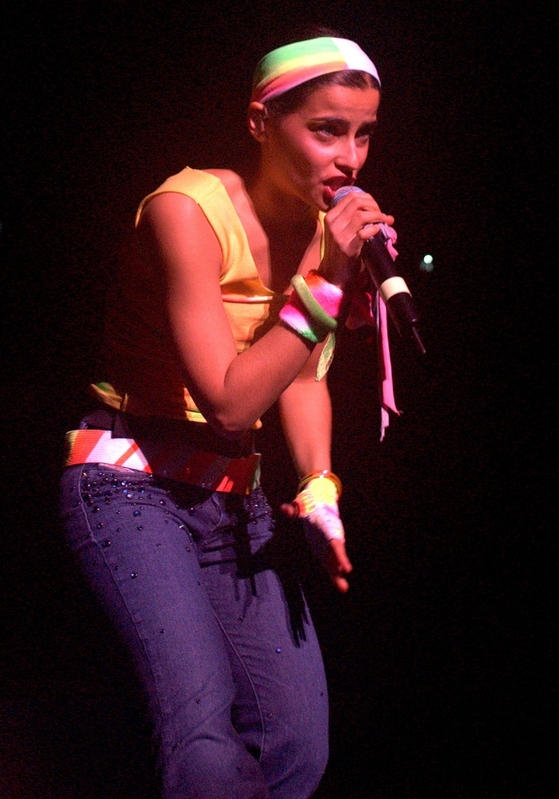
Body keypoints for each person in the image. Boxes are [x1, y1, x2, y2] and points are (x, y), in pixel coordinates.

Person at [59, 27, 398, 799]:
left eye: (363, 135)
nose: (349, 159)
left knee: (297, 747)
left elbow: (302, 375)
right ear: (258, 123)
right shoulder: (185, 209)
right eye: (325, 131)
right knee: (204, 742)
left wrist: (317, 488)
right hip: (129, 483)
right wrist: (325, 284)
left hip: (231, 499)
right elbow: (230, 399)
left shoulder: (318, 233)